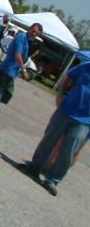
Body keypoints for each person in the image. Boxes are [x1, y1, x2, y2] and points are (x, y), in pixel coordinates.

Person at [21, 61, 90, 196]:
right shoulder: (86, 66)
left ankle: (53, 180)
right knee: (48, 139)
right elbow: (68, 77)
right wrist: (60, 95)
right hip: (65, 110)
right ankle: (34, 167)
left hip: (84, 121)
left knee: (68, 152)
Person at [0, 23, 43, 104]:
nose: (34, 34)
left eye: (37, 34)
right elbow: (17, 55)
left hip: (11, 74)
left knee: (6, 96)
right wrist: (23, 71)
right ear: (29, 28)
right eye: (33, 31)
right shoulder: (21, 37)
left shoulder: (26, 41)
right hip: (5, 72)